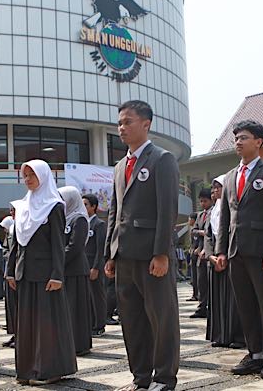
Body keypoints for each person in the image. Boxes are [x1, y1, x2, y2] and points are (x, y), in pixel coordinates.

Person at [105, 101, 180, 391]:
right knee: (132, 320)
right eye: (120, 123)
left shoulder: (162, 159)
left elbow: (167, 210)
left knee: (161, 318)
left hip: (151, 255)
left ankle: (164, 378)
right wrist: (110, 253)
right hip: (124, 256)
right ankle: (141, 378)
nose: (122, 128)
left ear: (146, 124)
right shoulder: (120, 166)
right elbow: (115, 211)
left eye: (128, 122)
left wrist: (161, 253)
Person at [214, 120, 263, 379]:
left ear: (259, 141)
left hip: (261, 251)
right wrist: (221, 250)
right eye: (236, 139)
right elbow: (224, 217)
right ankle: (254, 353)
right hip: (236, 251)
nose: (238, 143)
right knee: (245, 304)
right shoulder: (230, 176)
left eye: (244, 138)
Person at [7, 161, 77, 385]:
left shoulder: (54, 206)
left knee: (46, 323)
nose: (27, 180)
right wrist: (11, 271)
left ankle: (48, 370)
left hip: (46, 275)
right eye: (25, 175)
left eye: (32, 175)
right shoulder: (22, 207)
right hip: (25, 273)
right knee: (26, 324)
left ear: (44, 177)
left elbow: (58, 243)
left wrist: (57, 274)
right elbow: (16, 243)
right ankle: (27, 370)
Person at [204, 175, 246, 348]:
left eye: (218, 187)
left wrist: (225, 253)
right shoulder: (212, 211)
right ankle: (220, 334)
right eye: (213, 188)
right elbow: (208, 235)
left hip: (228, 256)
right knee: (217, 298)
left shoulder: (232, 207)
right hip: (215, 258)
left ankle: (237, 336)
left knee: (233, 297)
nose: (214, 191)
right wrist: (210, 255)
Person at [59, 185, 94, 356]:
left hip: (76, 269)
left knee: (76, 308)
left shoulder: (79, 219)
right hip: (65, 269)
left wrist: (58, 260)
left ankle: (80, 344)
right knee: (67, 309)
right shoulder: (64, 219)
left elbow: (75, 246)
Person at [82, 193, 107, 337]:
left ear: (94, 207)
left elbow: (100, 248)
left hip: (94, 265)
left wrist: (96, 267)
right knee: (88, 296)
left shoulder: (99, 224)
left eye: (86, 204)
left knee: (97, 296)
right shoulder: (83, 222)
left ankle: (99, 324)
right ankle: (91, 323)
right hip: (84, 265)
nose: (83, 207)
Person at [0, 211, 18, 348]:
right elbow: (6, 249)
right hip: (10, 269)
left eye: (14, 210)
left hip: (21, 269)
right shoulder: (11, 229)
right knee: (10, 305)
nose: (12, 212)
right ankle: (14, 333)